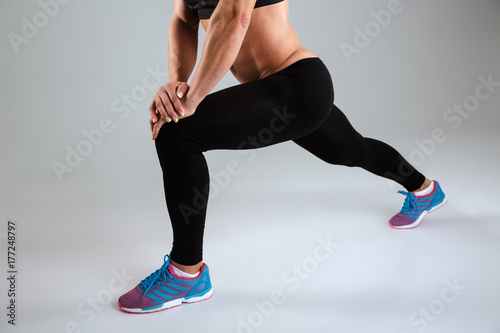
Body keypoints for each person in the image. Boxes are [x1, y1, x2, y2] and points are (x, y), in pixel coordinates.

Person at [118, 0, 447, 313]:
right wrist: (178, 84)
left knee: (177, 132)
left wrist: (191, 100)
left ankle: (186, 274)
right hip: (275, 93)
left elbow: (235, 16)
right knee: (351, 149)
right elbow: (183, 20)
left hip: (298, 85)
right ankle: (424, 189)